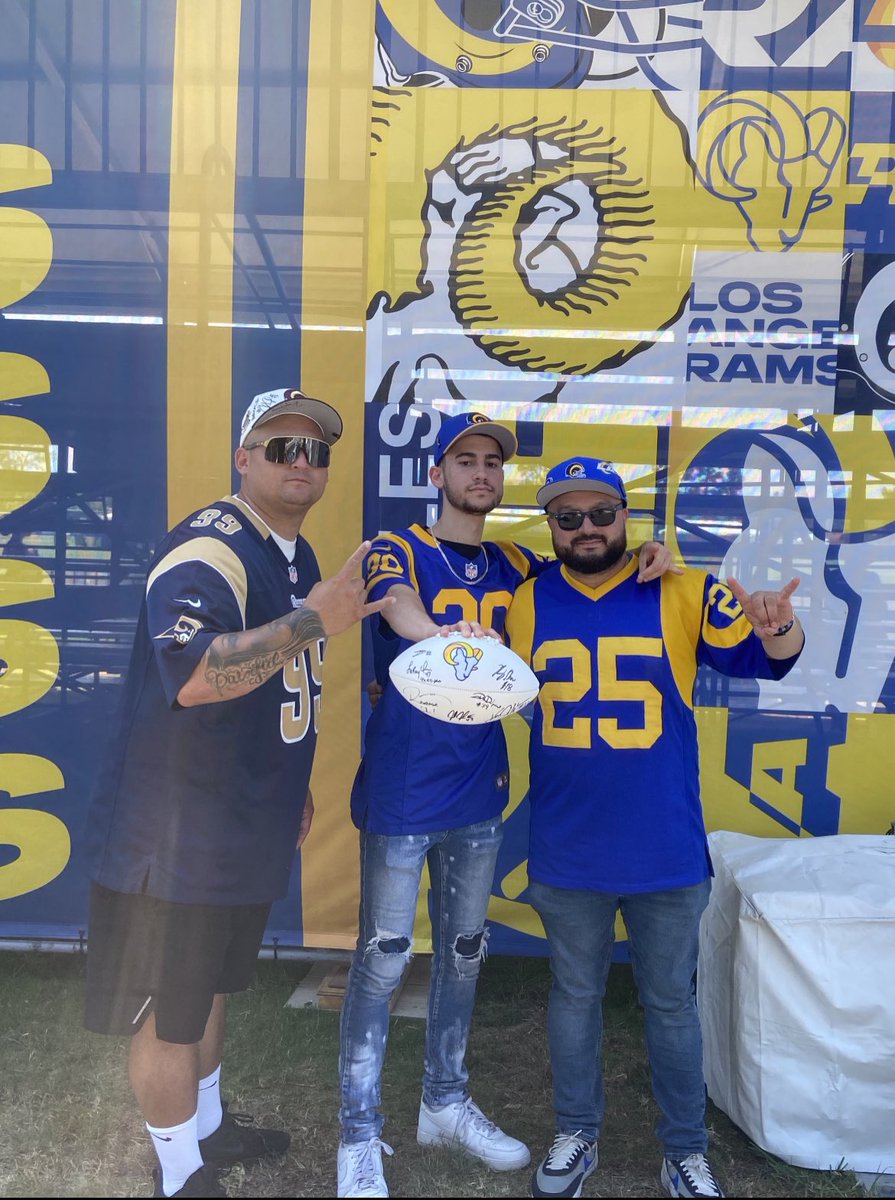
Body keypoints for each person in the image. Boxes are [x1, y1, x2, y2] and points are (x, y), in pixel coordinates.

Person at [336, 414, 676, 1199]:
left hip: (479, 787)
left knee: (462, 953)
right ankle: (358, 1133)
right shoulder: (400, 547)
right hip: (402, 785)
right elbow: (397, 611)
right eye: (465, 459)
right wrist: (452, 643)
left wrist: (659, 555)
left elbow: (592, 574)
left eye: (492, 462)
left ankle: (443, 1103)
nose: (481, 473)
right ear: (438, 473)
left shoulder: (516, 561)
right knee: (384, 957)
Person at [83, 387, 392, 1199]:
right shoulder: (209, 549)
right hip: (175, 834)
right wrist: (312, 621)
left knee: (214, 986)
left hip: (240, 820)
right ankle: (177, 1170)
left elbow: (279, 684)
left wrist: (286, 787)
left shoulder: (293, 556)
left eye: (315, 450)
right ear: (242, 457)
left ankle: (208, 1128)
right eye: (281, 446)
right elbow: (192, 676)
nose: (302, 462)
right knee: (172, 1003)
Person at [504, 456, 805, 1200]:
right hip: (565, 843)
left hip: (663, 842)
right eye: (566, 517)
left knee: (669, 1003)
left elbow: (772, 665)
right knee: (572, 998)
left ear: (624, 515)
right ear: (550, 525)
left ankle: (683, 1149)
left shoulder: (682, 586)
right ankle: (576, 1131)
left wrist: (779, 627)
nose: (584, 528)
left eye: (599, 513)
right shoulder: (523, 600)